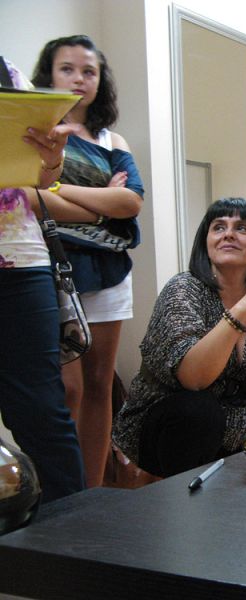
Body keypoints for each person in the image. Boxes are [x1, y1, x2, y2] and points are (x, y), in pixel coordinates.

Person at [112, 198, 246, 477]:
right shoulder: (183, 289)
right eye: (219, 227)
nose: (229, 234)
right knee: (199, 412)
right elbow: (194, 379)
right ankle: (186, 509)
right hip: (173, 422)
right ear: (207, 244)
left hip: (244, 419)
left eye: (242, 228)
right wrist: (245, 306)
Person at [31, 35, 145, 487]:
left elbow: (132, 201)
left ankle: (93, 495)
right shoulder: (35, 133)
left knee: (100, 386)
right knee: (67, 389)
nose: (79, 78)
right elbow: (31, 196)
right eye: (68, 69)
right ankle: (62, 496)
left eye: (89, 71)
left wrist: (61, 192)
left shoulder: (111, 139)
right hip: (53, 267)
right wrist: (102, 203)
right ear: (49, 75)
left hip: (109, 271)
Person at [0, 58, 87, 502]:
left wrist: (51, 162)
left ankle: (73, 550)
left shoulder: (8, 72)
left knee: (41, 413)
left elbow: (38, 179)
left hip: (20, 259)